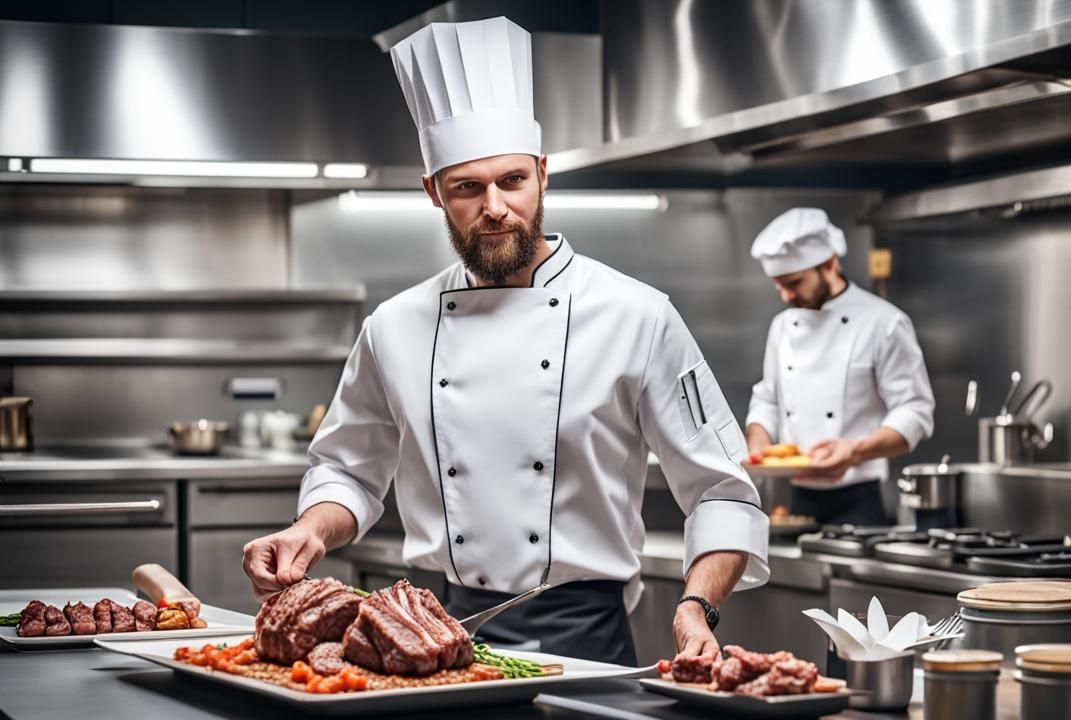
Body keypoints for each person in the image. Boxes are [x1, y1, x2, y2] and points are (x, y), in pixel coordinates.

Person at [243, 17, 769, 665]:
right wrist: (306, 531)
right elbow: (349, 469)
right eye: (468, 187)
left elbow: (721, 491)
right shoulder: (395, 326)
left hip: (589, 639)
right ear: (434, 192)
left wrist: (696, 607)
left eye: (512, 180)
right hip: (435, 636)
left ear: (543, 174)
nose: (495, 205)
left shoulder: (637, 315)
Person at [745, 208, 935, 525]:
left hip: (860, 500)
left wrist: (856, 451)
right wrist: (758, 449)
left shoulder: (884, 322)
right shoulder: (781, 326)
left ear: (830, 263)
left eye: (793, 282)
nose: (785, 295)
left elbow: (915, 409)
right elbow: (767, 400)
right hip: (793, 500)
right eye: (777, 284)